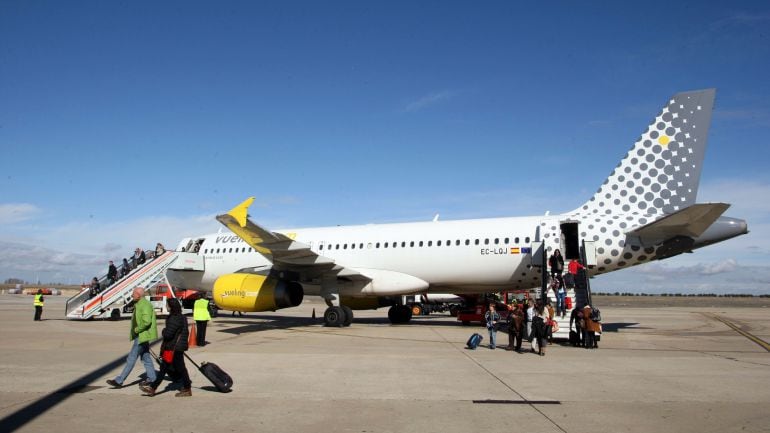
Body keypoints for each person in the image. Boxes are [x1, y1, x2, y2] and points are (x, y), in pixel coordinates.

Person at [106, 287, 158, 388]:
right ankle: (152, 378)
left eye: (133, 293)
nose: (131, 295)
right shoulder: (139, 304)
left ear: (138, 295)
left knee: (131, 358)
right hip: (142, 336)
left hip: (142, 336)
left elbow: (146, 321)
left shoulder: (145, 305)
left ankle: (119, 380)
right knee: (145, 358)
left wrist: (137, 330)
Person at [140, 298, 192, 397]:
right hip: (177, 347)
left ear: (171, 306)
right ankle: (153, 388)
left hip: (173, 347)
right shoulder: (181, 317)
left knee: (173, 368)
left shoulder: (174, 318)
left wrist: (164, 331)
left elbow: (168, 334)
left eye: (167, 305)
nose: (166, 307)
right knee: (168, 368)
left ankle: (186, 388)